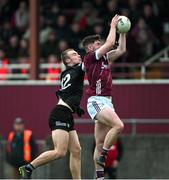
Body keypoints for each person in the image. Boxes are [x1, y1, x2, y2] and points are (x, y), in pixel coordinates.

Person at [19, 49, 85, 179]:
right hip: (60, 114)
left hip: (66, 113)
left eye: (77, 53)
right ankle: (29, 167)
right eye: (74, 54)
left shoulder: (67, 72)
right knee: (60, 152)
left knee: (76, 151)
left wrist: (75, 107)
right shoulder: (76, 70)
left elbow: (66, 94)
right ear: (68, 61)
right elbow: (95, 57)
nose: (78, 55)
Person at [82, 14, 126, 179]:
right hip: (96, 101)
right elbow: (109, 44)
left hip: (107, 102)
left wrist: (123, 32)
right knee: (119, 126)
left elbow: (121, 50)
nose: (99, 44)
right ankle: (104, 154)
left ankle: (99, 177)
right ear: (89, 48)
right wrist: (113, 26)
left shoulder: (104, 58)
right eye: (96, 43)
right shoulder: (89, 58)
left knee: (99, 143)